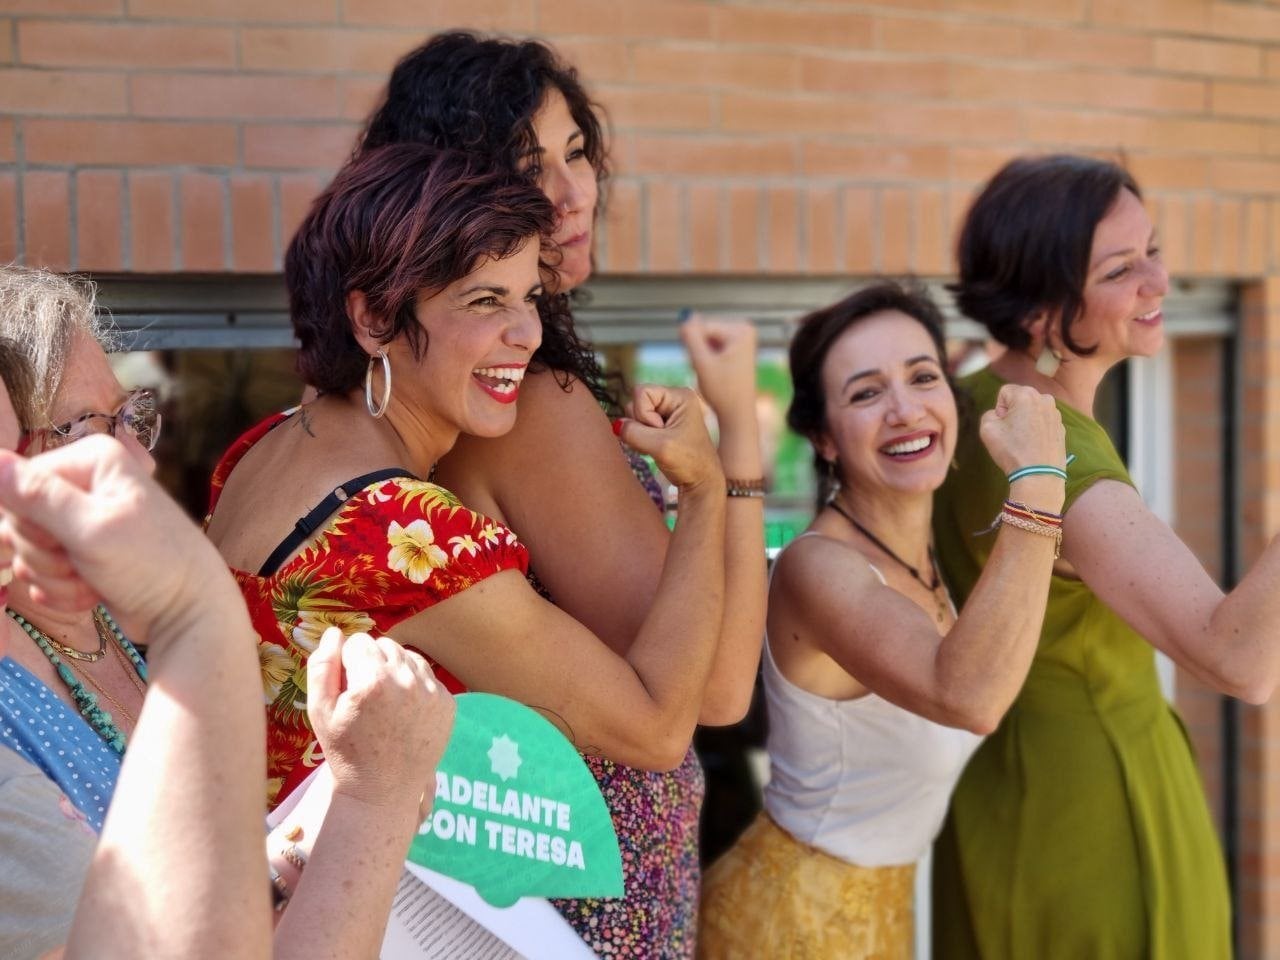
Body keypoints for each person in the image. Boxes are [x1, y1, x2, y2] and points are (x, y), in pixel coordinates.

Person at [204, 138, 730, 872]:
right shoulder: (399, 531)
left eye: (530, 299)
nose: (527, 334)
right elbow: (656, 731)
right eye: (485, 301)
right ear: (374, 320)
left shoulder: (265, 447)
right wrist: (706, 490)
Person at [358, 33, 766, 953]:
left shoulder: (454, 388)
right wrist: (724, 470)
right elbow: (720, 689)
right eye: (527, 165)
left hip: (526, 869)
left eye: (577, 152)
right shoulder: (536, 404)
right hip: (589, 885)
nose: (573, 193)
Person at [0, 276, 455, 958]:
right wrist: (372, 804)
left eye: (132, 418)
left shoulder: (120, 625)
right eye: (91, 430)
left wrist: (319, 821)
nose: (142, 462)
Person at [930, 154, 1269, 958]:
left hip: (1002, 794)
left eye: (1153, 247)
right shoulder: (1061, 452)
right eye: (1122, 268)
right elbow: (1240, 660)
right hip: (1099, 810)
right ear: (1044, 313)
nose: (1161, 280)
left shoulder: (970, 403)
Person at [695, 281, 1066, 959]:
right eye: (866, 393)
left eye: (922, 377)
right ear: (825, 438)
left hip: (882, 922)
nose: (903, 409)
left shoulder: (937, 551)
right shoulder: (819, 569)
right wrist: (1039, 481)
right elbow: (970, 695)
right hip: (783, 928)